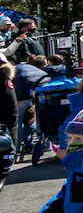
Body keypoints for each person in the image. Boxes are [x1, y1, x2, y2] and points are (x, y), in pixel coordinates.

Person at [13, 53, 51, 159]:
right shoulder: (39, 71)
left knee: (18, 120)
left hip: (22, 92)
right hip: (40, 86)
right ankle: (45, 144)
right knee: (39, 115)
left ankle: (16, 148)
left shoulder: (18, 68)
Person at [0, 59, 16, 192]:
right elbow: (11, 103)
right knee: (8, 149)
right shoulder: (4, 79)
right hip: (4, 122)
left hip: (3, 120)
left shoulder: (4, 78)